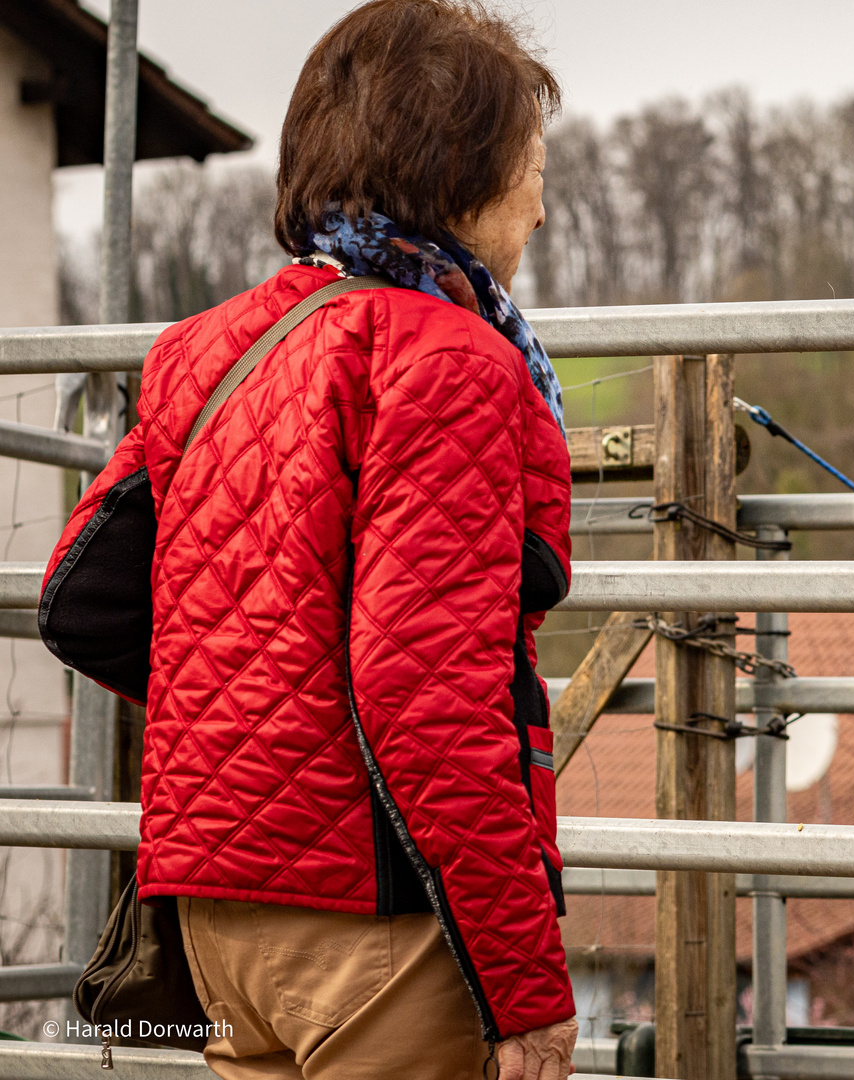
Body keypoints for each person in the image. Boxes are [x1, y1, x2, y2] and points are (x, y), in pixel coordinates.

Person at [44, 2, 576, 1076]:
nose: (541, 209)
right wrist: (524, 988)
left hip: (218, 916)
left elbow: (85, 601)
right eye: (532, 169)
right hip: (381, 925)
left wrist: (265, 719)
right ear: (459, 176)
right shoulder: (453, 364)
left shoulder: (204, 349)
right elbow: (426, 694)